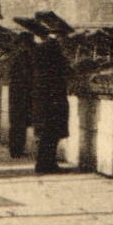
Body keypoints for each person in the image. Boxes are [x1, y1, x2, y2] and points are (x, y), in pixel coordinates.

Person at [28, 11, 73, 174]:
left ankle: (45, 164)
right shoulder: (53, 48)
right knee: (51, 133)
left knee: (46, 133)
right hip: (52, 97)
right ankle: (47, 165)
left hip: (42, 96)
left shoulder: (39, 48)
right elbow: (65, 70)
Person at [4, 31, 36, 159]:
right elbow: (28, 76)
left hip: (16, 94)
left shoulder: (14, 56)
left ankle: (15, 149)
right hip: (23, 94)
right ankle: (17, 150)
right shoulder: (24, 56)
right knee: (20, 123)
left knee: (16, 123)